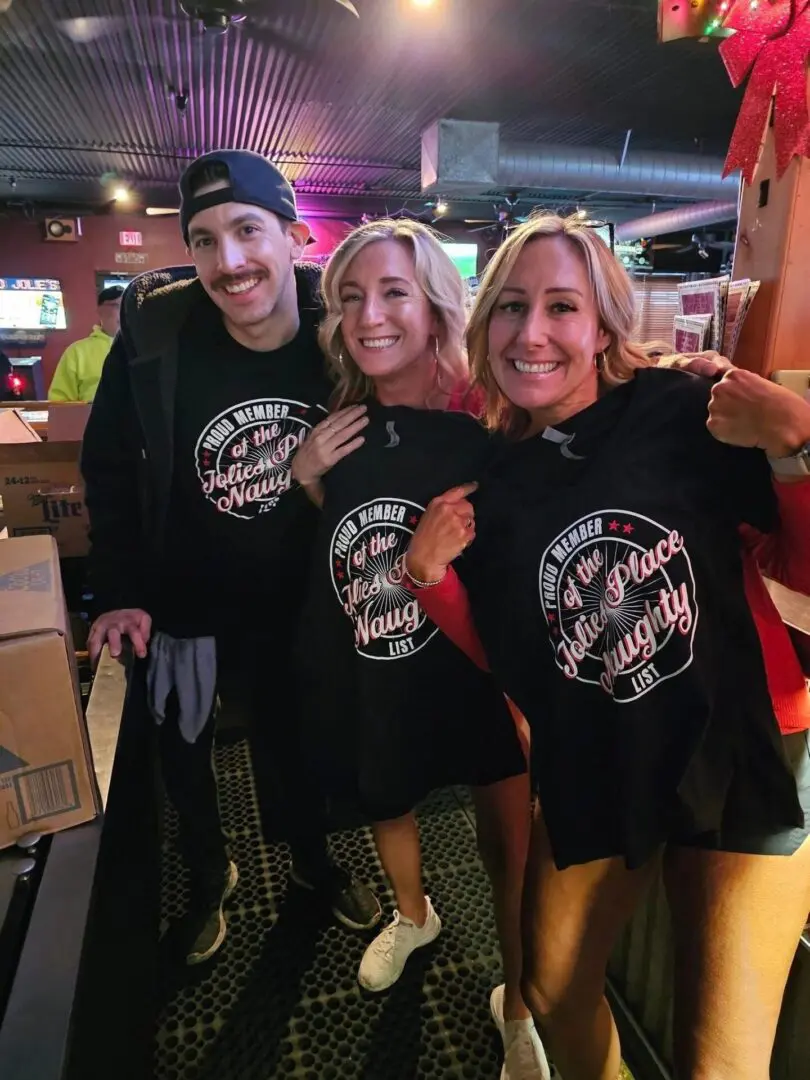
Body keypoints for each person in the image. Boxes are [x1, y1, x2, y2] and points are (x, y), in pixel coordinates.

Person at [405, 212, 810, 1080]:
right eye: (512, 308)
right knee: (550, 990)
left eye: (562, 306)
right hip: (603, 752)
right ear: (485, 329)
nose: (534, 332)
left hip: (741, 741)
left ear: (602, 329)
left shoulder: (682, 406)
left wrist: (794, 439)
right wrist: (431, 580)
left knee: (720, 1067)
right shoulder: (496, 478)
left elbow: (804, 568)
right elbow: (517, 654)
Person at [81, 149, 380, 966]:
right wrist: (117, 590)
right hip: (187, 594)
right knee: (185, 753)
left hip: (303, 598)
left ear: (293, 236)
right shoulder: (156, 329)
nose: (230, 261)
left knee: (302, 747)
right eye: (205, 241)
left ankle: (315, 868)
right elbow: (107, 465)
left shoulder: (346, 330)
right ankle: (211, 876)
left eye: (248, 230)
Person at [290, 218, 547, 1080]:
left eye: (394, 291)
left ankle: (519, 997)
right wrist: (308, 480)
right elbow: (338, 541)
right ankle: (414, 914)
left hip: (477, 669)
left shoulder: (491, 419)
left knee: (508, 844)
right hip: (377, 661)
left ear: (434, 305)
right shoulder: (341, 422)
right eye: (352, 298)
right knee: (386, 797)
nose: (370, 316)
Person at [49, 285, 123, 402]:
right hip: (91, 419)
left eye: (128, 307)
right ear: (100, 311)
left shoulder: (143, 348)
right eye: (117, 306)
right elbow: (60, 402)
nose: (124, 312)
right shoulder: (77, 352)